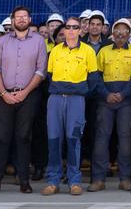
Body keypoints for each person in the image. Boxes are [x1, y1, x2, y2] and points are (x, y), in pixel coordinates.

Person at [0, 6, 47, 194]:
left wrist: (25, 92)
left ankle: (24, 182)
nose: (21, 19)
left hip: (28, 96)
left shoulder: (39, 41)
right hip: (4, 95)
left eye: (25, 17)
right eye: (18, 17)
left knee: (23, 138)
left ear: (29, 19)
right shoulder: (3, 41)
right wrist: (4, 93)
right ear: (12, 20)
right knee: (2, 138)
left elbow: (41, 70)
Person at [41, 17, 98, 196]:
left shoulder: (88, 51)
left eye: (75, 27)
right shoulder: (55, 51)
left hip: (76, 101)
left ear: (81, 30)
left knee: (74, 140)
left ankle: (74, 181)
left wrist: (79, 92)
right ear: (64, 30)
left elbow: (93, 79)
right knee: (53, 140)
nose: (72, 30)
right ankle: (53, 180)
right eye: (68, 27)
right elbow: (49, 75)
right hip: (56, 99)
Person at [89, 18, 131, 191]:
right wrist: (106, 94)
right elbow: (96, 77)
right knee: (101, 139)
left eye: (124, 30)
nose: (120, 33)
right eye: (117, 30)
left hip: (126, 100)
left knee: (125, 139)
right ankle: (98, 179)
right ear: (112, 32)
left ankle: (125, 178)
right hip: (105, 100)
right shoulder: (103, 51)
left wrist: (123, 94)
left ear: (129, 34)